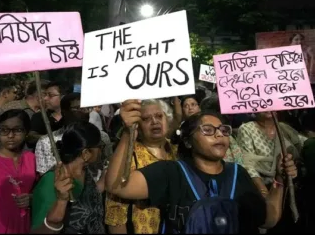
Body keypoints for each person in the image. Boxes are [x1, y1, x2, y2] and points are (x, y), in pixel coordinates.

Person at [106, 101, 297, 234]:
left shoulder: (239, 173)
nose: (218, 135)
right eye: (207, 130)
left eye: (224, 130)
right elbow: (118, 186)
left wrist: (279, 181)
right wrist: (127, 132)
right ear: (188, 142)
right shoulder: (171, 172)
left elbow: (269, 218)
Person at [105, 99, 178, 234]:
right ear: (137, 126)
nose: (154, 122)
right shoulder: (128, 155)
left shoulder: (177, 152)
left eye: (159, 116)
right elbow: (115, 211)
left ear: (167, 119)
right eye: (146, 119)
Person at [237, 111, 307, 233]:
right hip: (262, 187)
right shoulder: (247, 128)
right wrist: (264, 193)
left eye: (271, 104)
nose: (268, 108)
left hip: (287, 187)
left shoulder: (284, 128)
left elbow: (304, 143)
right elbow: (248, 164)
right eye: (264, 105)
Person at [31, 122, 106, 234]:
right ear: (85, 153)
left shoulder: (85, 171)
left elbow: (89, 198)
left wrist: (106, 178)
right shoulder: (51, 182)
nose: (102, 151)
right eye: (100, 146)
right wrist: (61, 202)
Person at [35, 93, 112, 182]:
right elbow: (46, 177)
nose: (85, 112)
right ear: (64, 112)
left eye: (88, 108)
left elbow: (108, 165)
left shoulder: (102, 137)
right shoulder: (46, 142)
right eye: (79, 108)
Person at [27, 82, 65, 148]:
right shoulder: (39, 116)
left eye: (50, 95)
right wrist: (55, 138)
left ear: (63, 96)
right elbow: (31, 137)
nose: (45, 98)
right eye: (45, 95)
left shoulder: (72, 116)